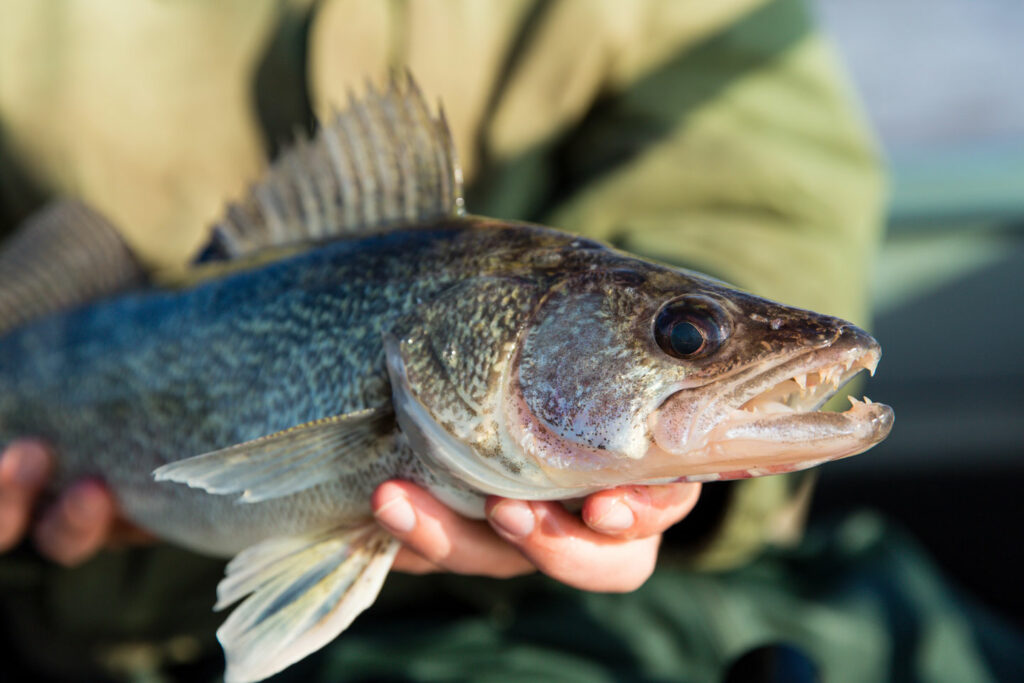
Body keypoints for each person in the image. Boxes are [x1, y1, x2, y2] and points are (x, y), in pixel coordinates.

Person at [0, 1, 925, 681]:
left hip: (548, 608)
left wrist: (681, 495)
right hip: (90, 617)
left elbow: (756, 179)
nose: (696, 348)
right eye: (686, 335)